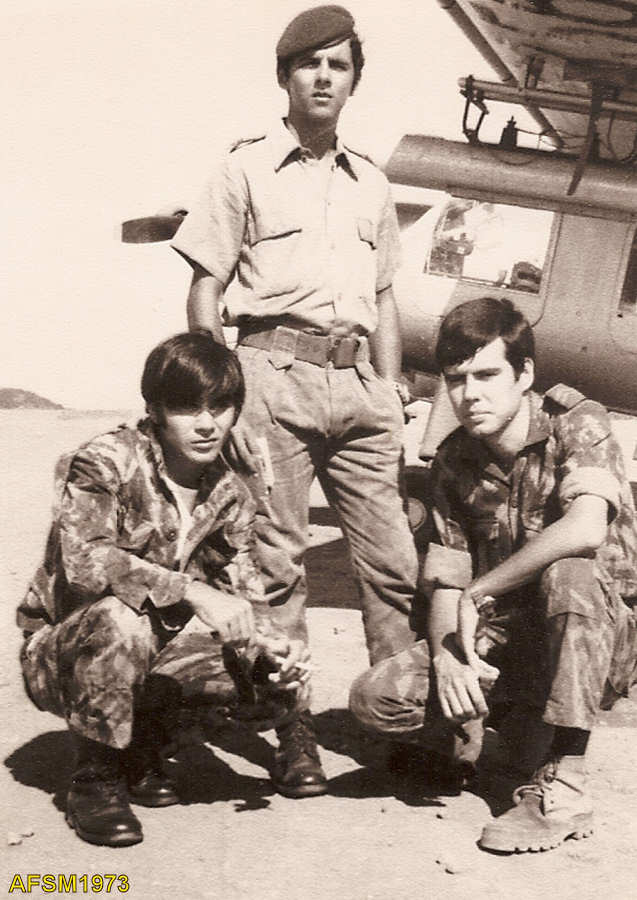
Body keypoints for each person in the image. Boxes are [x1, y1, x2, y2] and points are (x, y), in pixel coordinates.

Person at [171, 4, 418, 798]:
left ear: (352, 83)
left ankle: (405, 725)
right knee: (277, 565)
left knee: (393, 565)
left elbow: (385, 297)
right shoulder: (243, 170)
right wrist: (224, 392)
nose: (323, 77)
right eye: (309, 64)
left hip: (360, 391)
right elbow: (205, 289)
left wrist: (390, 390)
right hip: (270, 377)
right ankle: (293, 732)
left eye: (338, 66)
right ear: (284, 76)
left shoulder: (372, 182)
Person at [350, 297, 637, 853]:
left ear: (524, 374)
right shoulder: (455, 459)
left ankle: (566, 785)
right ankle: (498, 733)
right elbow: (447, 579)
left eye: (486, 376)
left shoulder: (576, 422)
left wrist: (480, 591)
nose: (469, 395)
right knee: (376, 699)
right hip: (508, 640)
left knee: (570, 575)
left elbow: (585, 528)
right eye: (456, 380)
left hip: (597, 636)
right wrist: (448, 658)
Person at [17, 332, 310, 847]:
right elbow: (86, 564)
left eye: (220, 407)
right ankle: (96, 778)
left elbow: (246, 596)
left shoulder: (229, 493)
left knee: (269, 676)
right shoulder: (104, 461)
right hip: (65, 652)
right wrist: (192, 591)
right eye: (187, 407)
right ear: (154, 409)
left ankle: (143, 746)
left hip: (153, 649)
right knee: (120, 618)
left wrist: (271, 649)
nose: (206, 424)